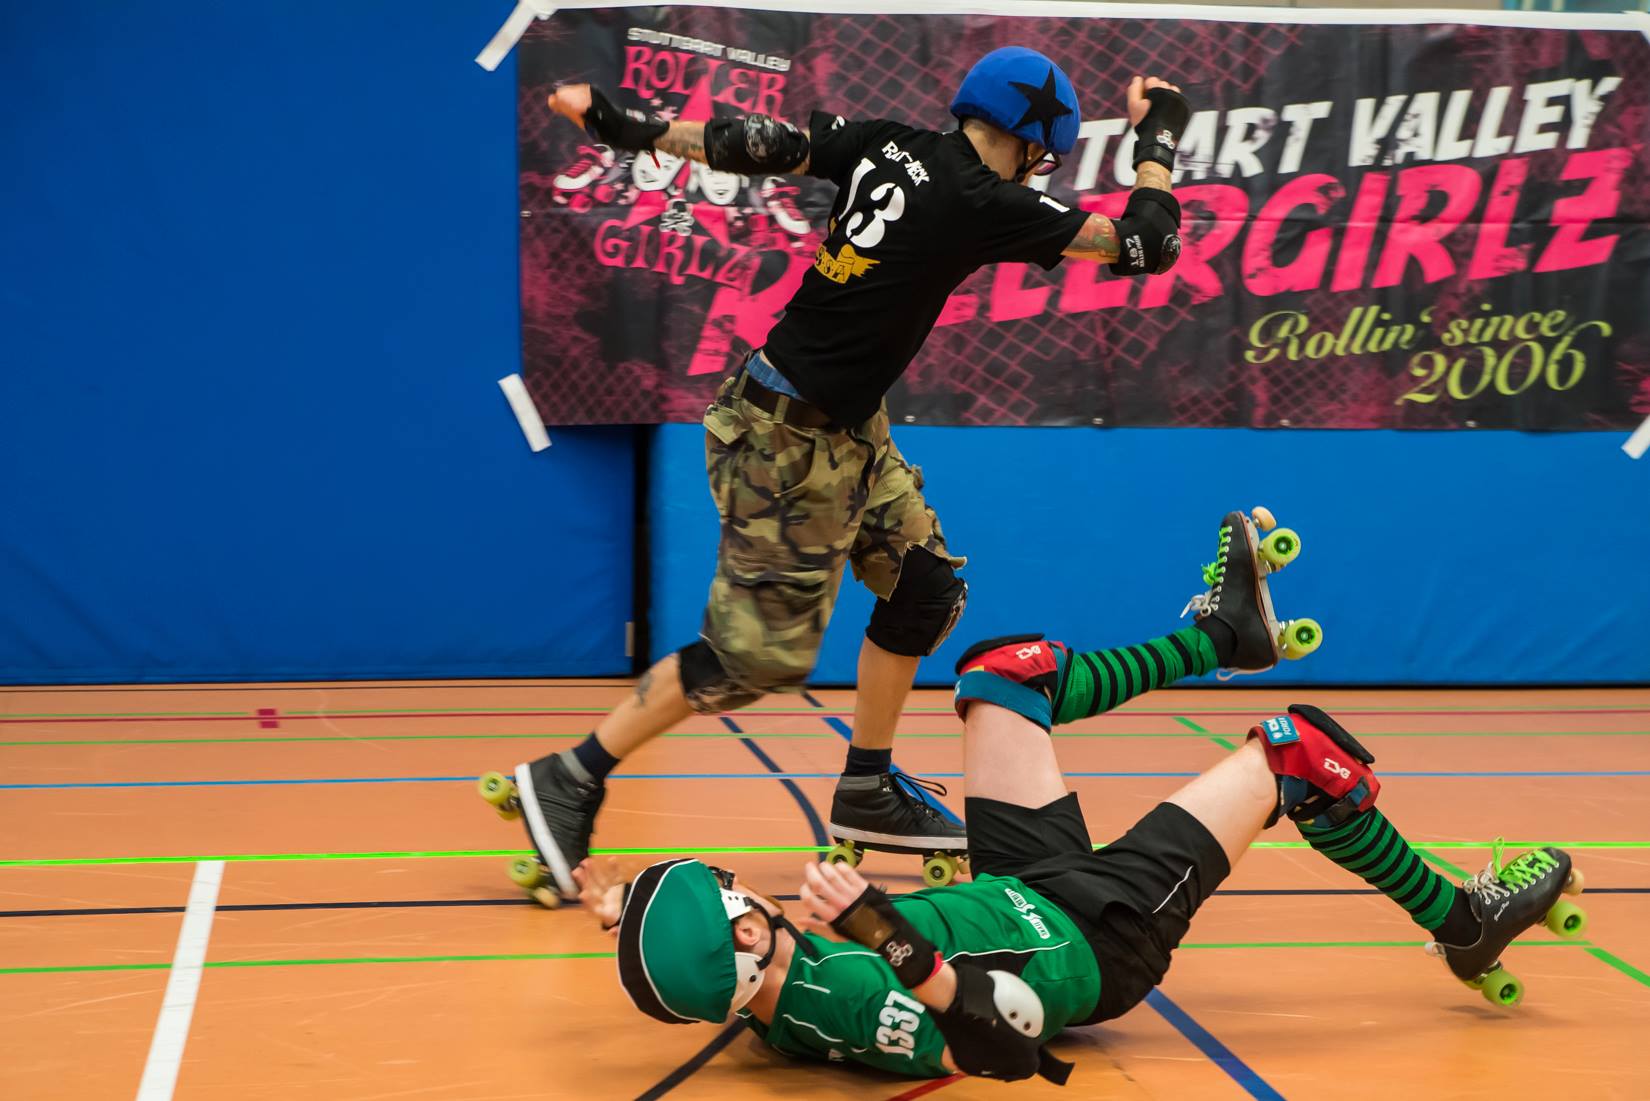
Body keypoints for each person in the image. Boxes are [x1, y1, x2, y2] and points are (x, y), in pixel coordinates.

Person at [497, 48, 1194, 901]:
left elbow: (755, 143)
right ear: (1027, 140)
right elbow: (1148, 242)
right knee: (748, 662)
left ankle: (867, 783)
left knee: (925, 586)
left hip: (845, 426)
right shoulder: (982, 200)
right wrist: (1157, 138)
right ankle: (572, 774)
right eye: (1043, 152)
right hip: (785, 443)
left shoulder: (887, 141)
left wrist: (631, 128)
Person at [575, 512, 1585, 1084]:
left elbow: (702, 965)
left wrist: (633, 913)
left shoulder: (757, 990)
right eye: (733, 898)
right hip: (1095, 936)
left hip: (1018, 890)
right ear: (750, 936)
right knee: (1300, 753)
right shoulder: (846, 988)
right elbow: (998, 1038)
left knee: (1000, 677)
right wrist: (880, 921)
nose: (745, 890)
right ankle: (1464, 922)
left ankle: (1224, 636)